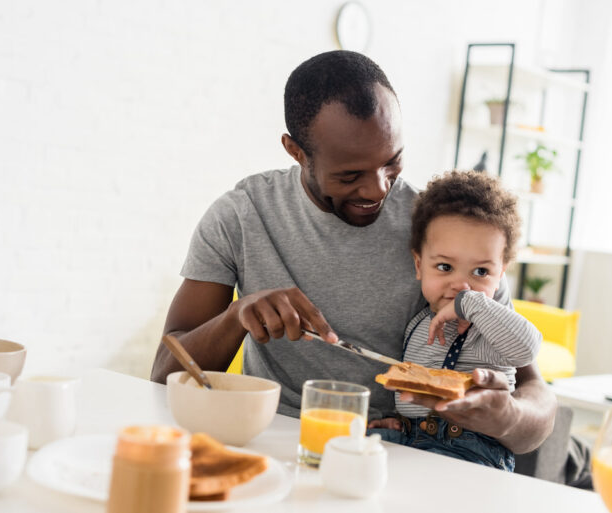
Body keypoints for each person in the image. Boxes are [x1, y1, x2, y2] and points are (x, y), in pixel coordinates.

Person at [151, 50, 556, 455]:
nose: (378, 189)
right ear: (296, 151)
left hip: (405, 452)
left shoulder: (442, 230)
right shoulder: (242, 216)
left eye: (392, 162)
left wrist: (506, 417)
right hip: (280, 443)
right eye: (349, 175)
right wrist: (236, 317)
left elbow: (535, 406)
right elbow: (164, 376)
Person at [367, 170, 542, 471]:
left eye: (481, 272)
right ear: (419, 265)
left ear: (501, 275)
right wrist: (401, 422)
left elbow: (527, 349)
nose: (462, 285)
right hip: (412, 436)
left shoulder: (489, 327)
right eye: (445, 267)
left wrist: (472, 304)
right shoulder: (418, 322)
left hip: (472, 449)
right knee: (354, 445)